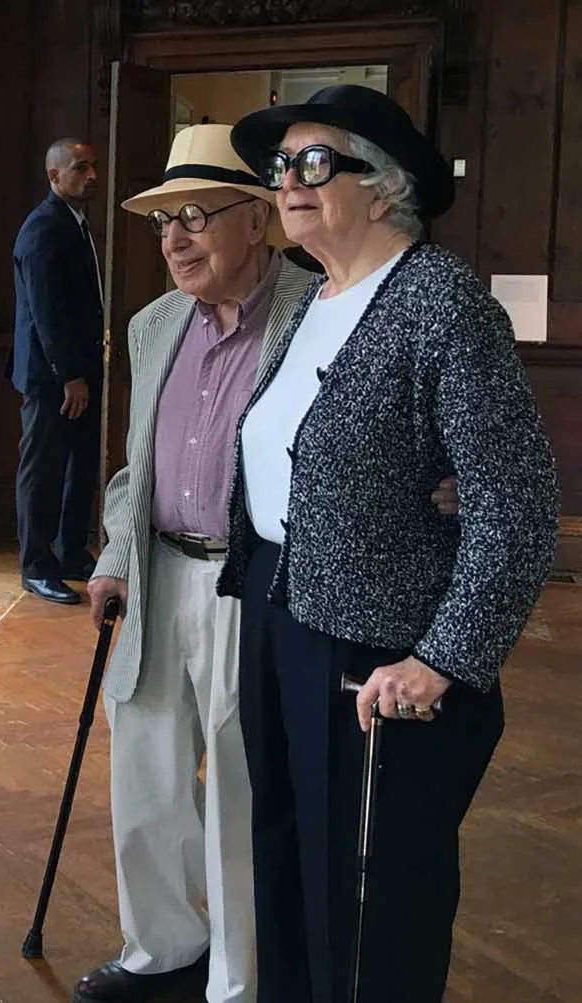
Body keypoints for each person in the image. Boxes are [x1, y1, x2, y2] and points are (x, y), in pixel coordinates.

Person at [75, 124, 459, 1003]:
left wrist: (431, 487)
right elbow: (140, 463)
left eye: (197, 216)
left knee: (245, 781)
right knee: (146, 770)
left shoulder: (315, 306)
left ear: (258, 221)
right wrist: (115, 556)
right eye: (163, 222)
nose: (175, 239)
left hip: (257, 582)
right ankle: (160, 949)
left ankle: (239, 977)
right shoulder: (152, 324)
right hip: (160, 574)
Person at [220, 85, 558, 1003]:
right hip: (281, 615)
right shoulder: (312, 299)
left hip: (377, 657)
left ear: (385, 188)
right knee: (287, 858)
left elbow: (517, 505)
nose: (287, 181)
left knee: (376, 906)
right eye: (279, 166)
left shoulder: (444, 304)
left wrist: (442, 659)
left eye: (314, 162)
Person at [10, 138, 105, 605]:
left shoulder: (76, 223)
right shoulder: (43, 228)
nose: (92, 175)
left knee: (80, 466)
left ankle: (69, 552)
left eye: (93, 167)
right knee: (43, 470)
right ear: (53, 176)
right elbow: (45, 313)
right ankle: (36, 566)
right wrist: (69, 375)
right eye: (80, 167)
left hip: (80, 373)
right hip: (53, 379)